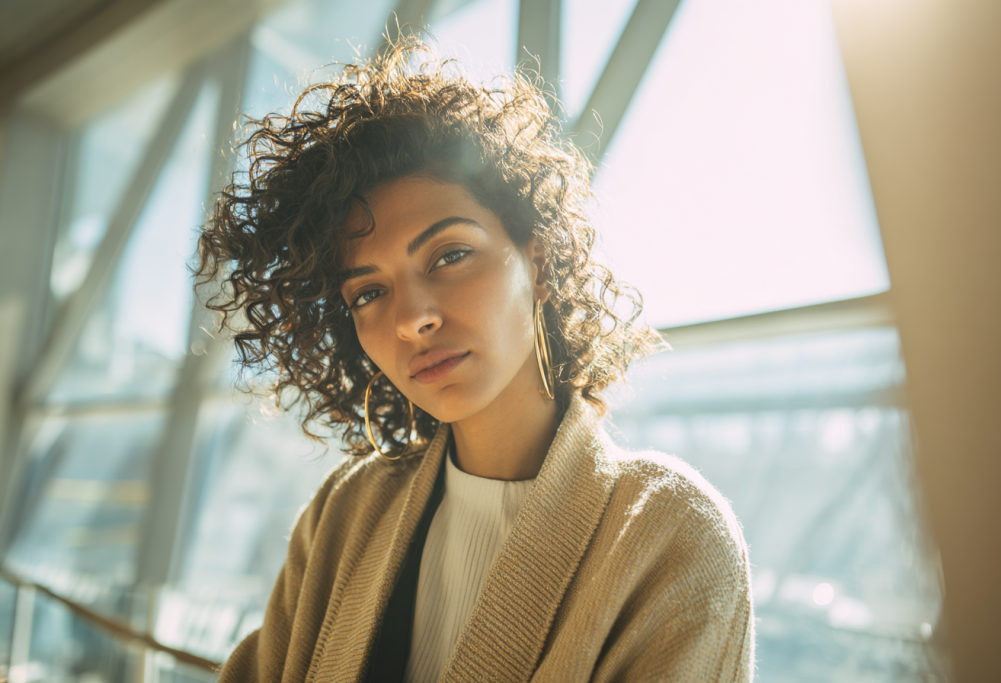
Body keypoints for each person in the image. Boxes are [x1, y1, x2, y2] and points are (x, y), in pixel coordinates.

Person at [196, 36, 754, 683]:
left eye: (450, 255)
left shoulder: (668, 531)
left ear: (539, 263)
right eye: (369, 293)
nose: (412, 318)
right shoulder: (346, 512)